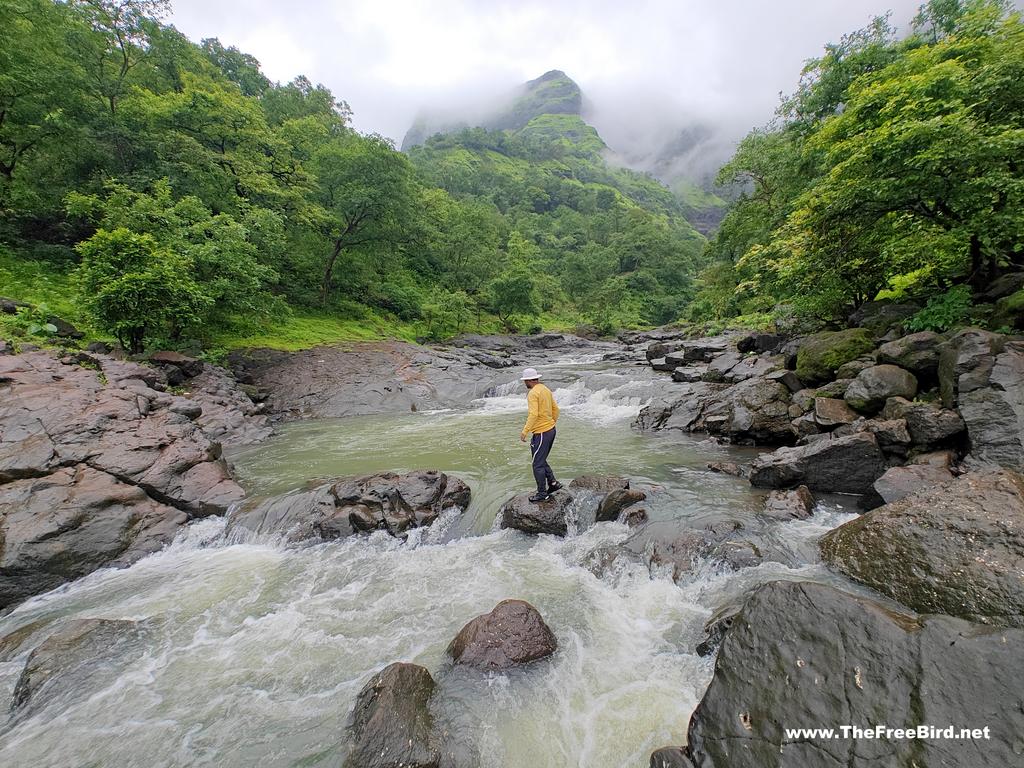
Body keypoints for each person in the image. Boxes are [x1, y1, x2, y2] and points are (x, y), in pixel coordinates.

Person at [519, 367, 562, 502]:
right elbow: (556, 409)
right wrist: (551, 423)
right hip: (550, 430)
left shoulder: (532, 393)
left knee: (537, 464)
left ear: (528, 380)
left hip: (542, 433)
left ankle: (542, 493)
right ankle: (553, 483)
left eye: (524, 381)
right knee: (540, 460)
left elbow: (533, 414)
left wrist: (525, 431)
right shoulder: (545, 389)